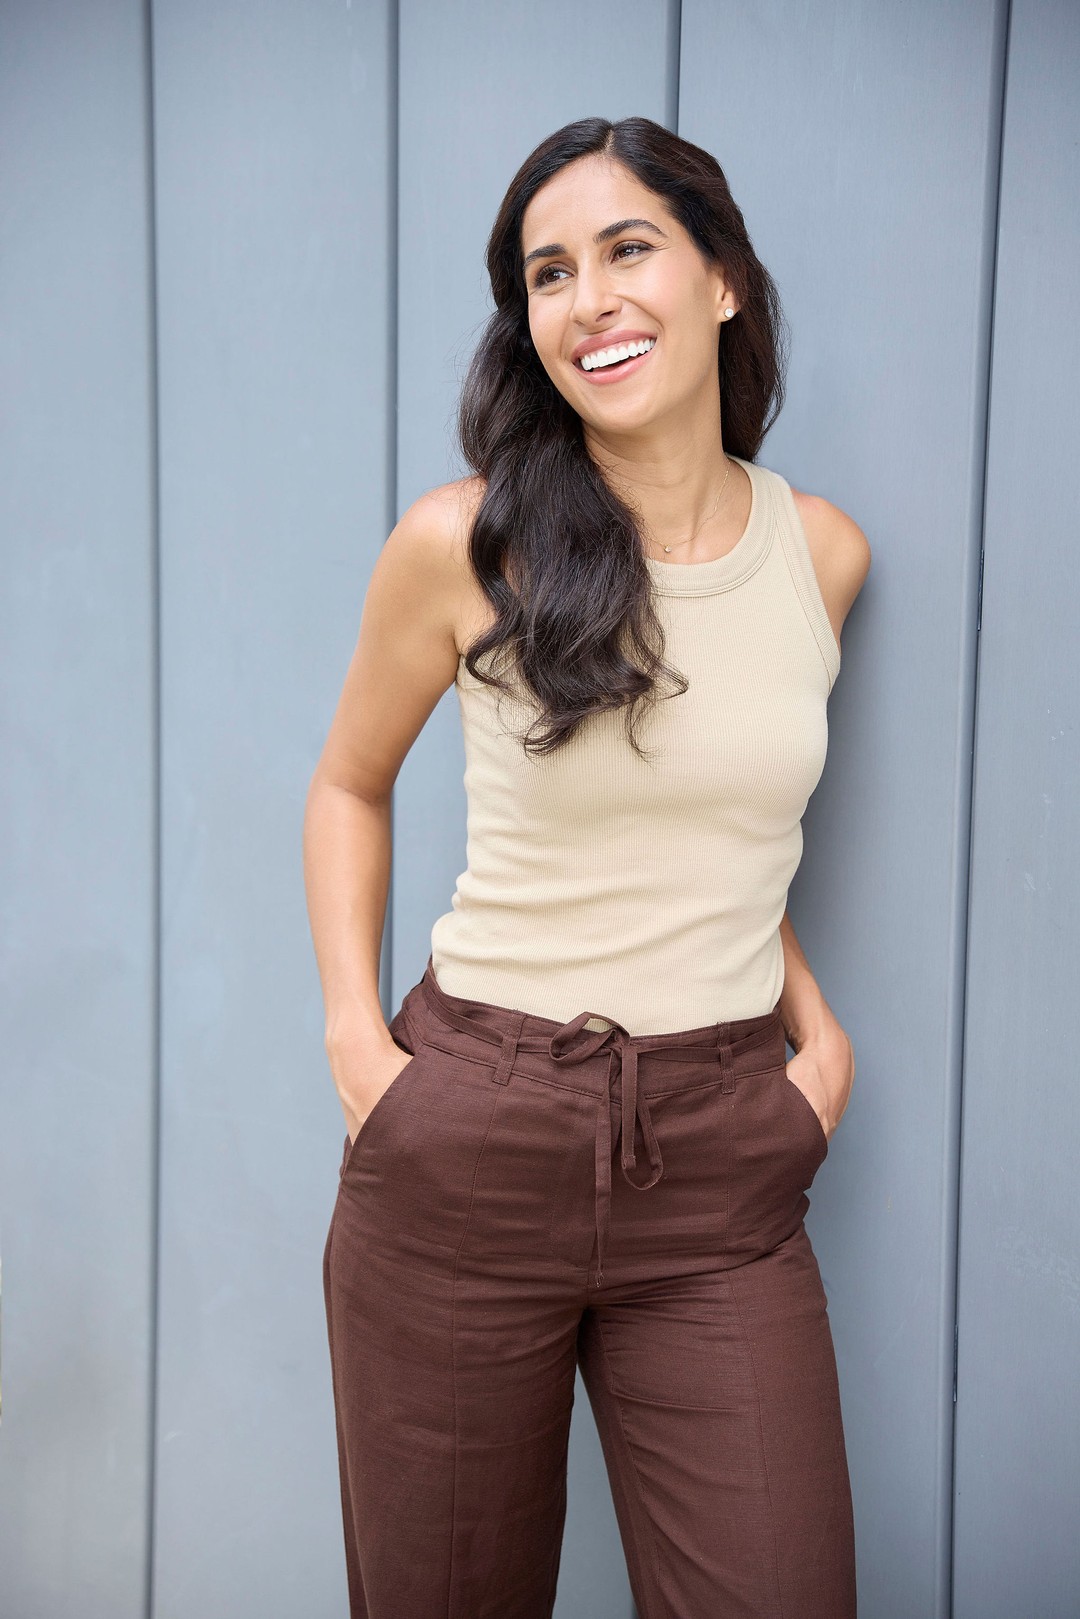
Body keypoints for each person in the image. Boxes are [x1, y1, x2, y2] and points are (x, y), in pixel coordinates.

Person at [303, 114, 871, 1619]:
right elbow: (348, 786)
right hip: (466, 1144)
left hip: (720, 1164)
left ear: (724, 280)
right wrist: (361, 1050)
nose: (589, 299)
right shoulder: (466, 545)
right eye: (549, 273)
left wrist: (813, 1041)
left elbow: (724, 828)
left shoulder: (818, 554)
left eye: (629, 250)